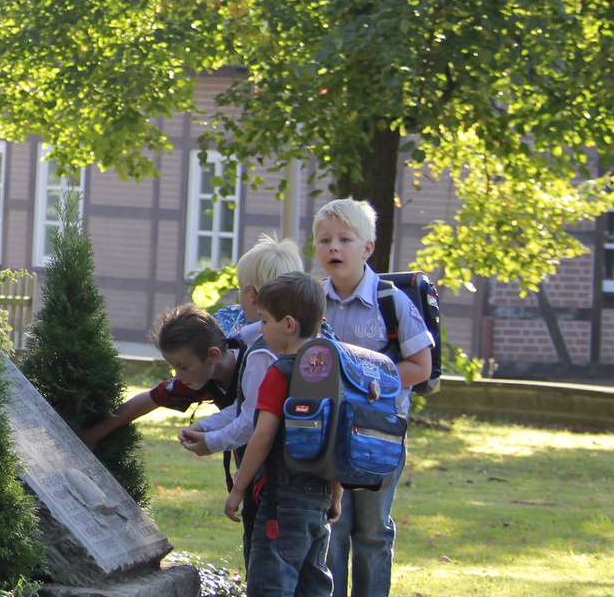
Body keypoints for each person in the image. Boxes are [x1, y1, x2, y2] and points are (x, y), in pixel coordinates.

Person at [313, 199, 432, 597]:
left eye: (345, 239)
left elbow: (421, 366)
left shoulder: (391, 301)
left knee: (372, 530)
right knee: (333, 527)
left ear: (366, 249)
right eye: (325, 240)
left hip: (377, 437)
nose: (334, 247)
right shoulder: (312, 302)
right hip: (328, 435)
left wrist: (373, 380)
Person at [180, 235, 306, 562]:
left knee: (266, 563)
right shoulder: (313, 343)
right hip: (308, 476)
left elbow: (253, 421)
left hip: (272, 479)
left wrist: (214, 443)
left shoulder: (265, 353)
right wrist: (208, 426)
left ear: (252, 296)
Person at [224, 272, 342, 597]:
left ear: (288, 325)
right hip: (319, 502)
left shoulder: (279, 373)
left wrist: (237, 490)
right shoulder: (334, 374)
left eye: (264, 321)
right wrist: (336, 495)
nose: (261, 330)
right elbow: (336, 440)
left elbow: (261, 437)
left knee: (269, 586)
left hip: (281, 504)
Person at [79, 305, 242, 447]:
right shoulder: (202, 374)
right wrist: (94, 434)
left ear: (213, 356)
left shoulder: (256, 368)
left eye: (183, 367)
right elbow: (151, 398)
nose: (178, 376)